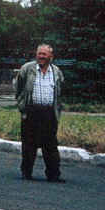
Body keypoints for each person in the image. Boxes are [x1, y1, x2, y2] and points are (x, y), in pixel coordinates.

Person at [14, 43, 65, 182]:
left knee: (51, 146)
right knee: (29, 144)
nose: (41, 56)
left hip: (49, 113)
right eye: (39, 54)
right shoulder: (27, 69)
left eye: (44, 54)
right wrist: (22, 104)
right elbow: (18, 88)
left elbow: (60, 90)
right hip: (32, 112)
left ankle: (53, 175)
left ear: (51, 57)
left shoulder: (56, 72)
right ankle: (26, 172)